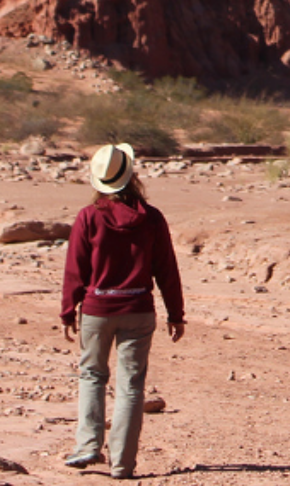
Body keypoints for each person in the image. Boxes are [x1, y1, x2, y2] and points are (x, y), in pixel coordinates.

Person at [60, 143, 186, 478]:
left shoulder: (89, 217)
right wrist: (176, 313)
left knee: (92, 375)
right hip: (139, 310)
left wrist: (68, 309)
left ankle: (88, 446)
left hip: (98, 309)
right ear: (132, 177)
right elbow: (167, 269)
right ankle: (122, 464)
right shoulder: (152, 218)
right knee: (131, 385)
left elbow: (76, 268)